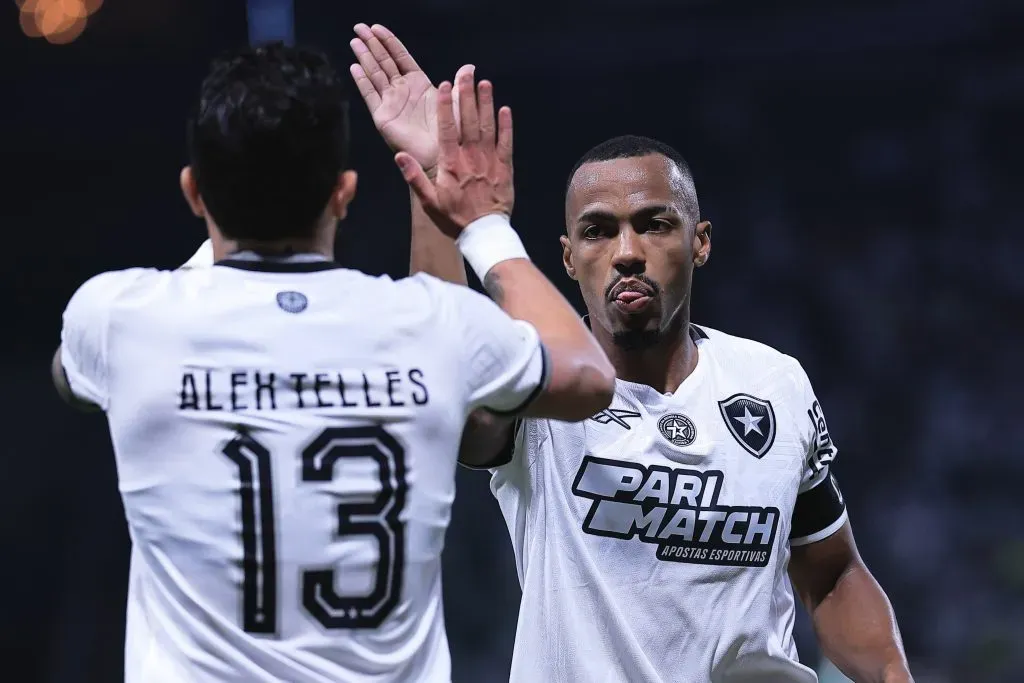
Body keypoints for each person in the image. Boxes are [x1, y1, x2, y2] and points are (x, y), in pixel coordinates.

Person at [350, 24, 914, 683]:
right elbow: (448, 376)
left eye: (652, 222)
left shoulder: (774, 382)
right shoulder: (543, 388)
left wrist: (894, 675)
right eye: (597, 230)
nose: (625, 249)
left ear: (699, 241)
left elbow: (833, 570)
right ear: (567, 258)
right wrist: (438, 194)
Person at [51, 42, 614, 683]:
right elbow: (588, 375)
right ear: (343, 194)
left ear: (193, 191)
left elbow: (72, 374)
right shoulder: (425, 326)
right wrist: (481, 224)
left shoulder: (120, 317)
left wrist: (234, 201)